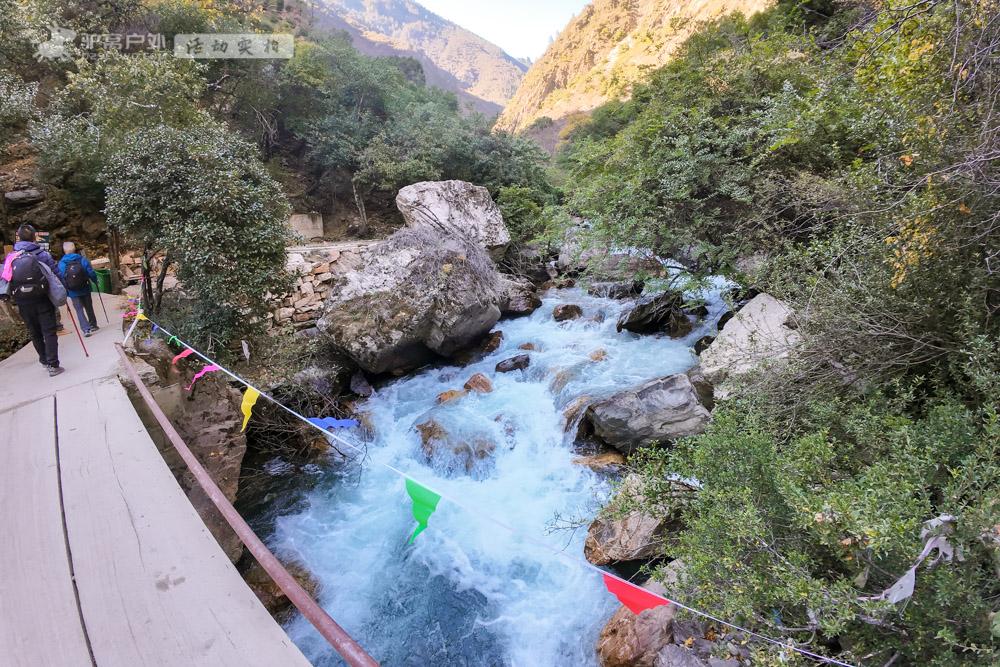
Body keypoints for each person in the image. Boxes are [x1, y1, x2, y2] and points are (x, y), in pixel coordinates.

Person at [2, 224, 64, 376]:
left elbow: (5, 278)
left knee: (35, 332)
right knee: (49, 331)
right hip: (43, 298)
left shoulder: (11, 257)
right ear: (34, 237)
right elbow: (55, 273)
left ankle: (43, 360)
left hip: (23, 301)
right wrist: (63, 290)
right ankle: (53, 365)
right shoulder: (42, 254)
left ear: (19, 238)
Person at [58, 241, 100, 337]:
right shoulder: (82, 259)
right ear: (74, 249)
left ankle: (86, 329)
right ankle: (93, 324)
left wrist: (67, 289)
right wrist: (95, 280)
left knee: (79, 309)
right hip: (84, 287)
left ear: (64, 251)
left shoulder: (62, 263)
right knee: (89, 306)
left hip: (73, 291)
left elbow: (61, 277)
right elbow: (90, 272)